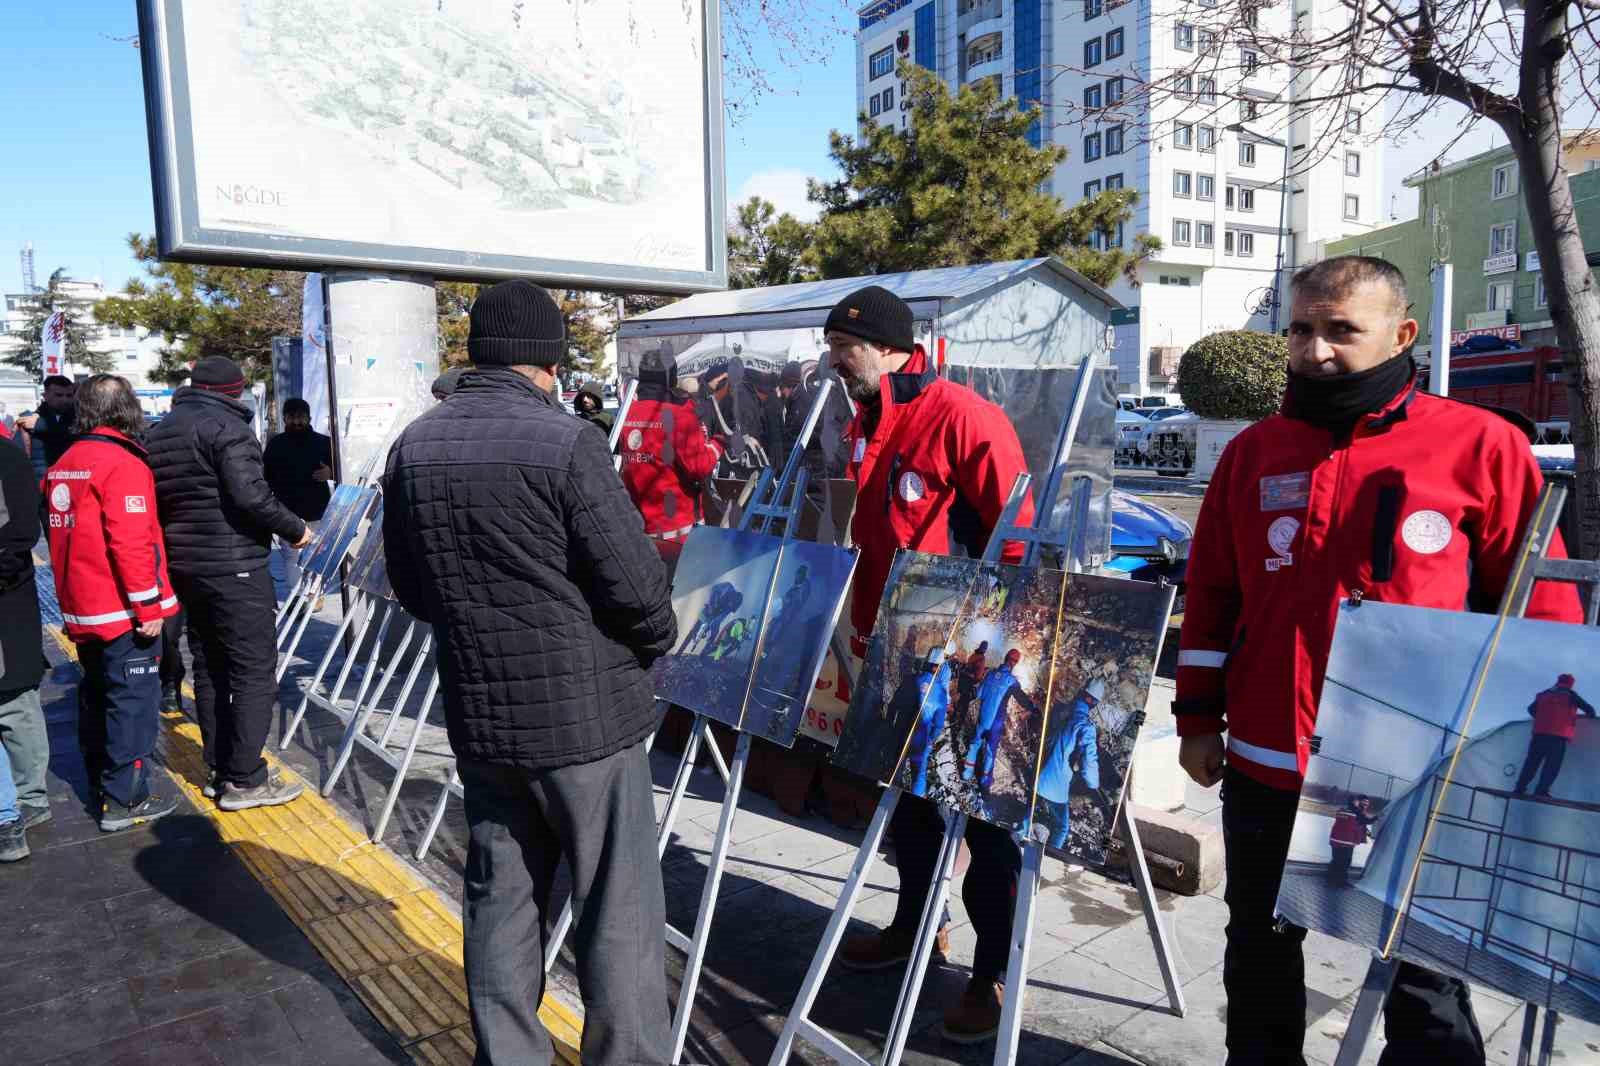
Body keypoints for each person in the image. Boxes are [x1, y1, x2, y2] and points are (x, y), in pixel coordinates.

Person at [1176, 255, 1583, 1066]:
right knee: (1257, 943)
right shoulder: (1255, 452)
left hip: (1415, 766)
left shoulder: (1482, 447)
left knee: (1424, 968)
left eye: (1340, 331)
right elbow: (1212, 593)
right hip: (1267, 754)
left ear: (1400, 334)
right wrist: (1196, 717)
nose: (1314, 350)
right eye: (1300, 329)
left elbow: (1541, 616)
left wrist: (1541, 751)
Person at [382, 279, 677, 1065]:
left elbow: (411, 587)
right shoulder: (568, 442)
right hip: (589, 724)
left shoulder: (416, 443)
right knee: (617, 909)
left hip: (483, 720)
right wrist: (654, 642)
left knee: (500, 899)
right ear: (547, 360)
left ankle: (508, 1055)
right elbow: (637, 587)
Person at [827, 285, 1035, 1043]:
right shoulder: (866, 415)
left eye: (841, 347)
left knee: (983, 821)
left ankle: (992, 972)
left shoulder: (963, 415)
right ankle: (917, 926)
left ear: (885, 347)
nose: (831, 360)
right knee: (911, 808)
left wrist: (984, 646)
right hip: (890, 647)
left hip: (960, 657)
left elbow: (1016, 543)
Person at [146, 356, 310, 811]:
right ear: (234, 391)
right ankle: (245, 778)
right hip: (235, 563)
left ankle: (220, 768)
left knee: (209, 664)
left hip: (186, 567)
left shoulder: (160, 432)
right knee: (254, 670)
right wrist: (296, 528)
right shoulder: (228, 429)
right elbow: (250, 496)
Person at [46, 375, 183, 832]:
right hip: (120, 607)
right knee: (133, 703)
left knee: (99, 692)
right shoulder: (122, 463)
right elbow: (132, 541)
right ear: (128, 410)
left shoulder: (67, 461)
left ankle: (101, 780)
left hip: (83, 604)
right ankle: (125, 798)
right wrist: (148, 609)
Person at [619, 347, 724, 571]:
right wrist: (718, 444)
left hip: (639, 529)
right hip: (680, 533)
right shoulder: (678, 417)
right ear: (672, 378)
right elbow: (699, 466)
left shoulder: (626, 414)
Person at [0, 426, 48, 838]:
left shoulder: (8, 459)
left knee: (15, 702)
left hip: (7, 603)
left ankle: (31, 797)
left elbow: (19, 536)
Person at [263, 397, 335, 598]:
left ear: (309, 417)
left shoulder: (324, 442)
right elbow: (264, 478)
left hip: (318, 510)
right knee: (291, 557)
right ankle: (296, 597)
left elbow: (342, 469)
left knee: (317, 554)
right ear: (284, 418)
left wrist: (330, 472)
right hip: (286, 512)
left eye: (301, 417)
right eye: (292, 417)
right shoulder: (275, 445)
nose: (297, 421)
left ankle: (314, 595)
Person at [1034, 679, 1106, 849]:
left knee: (1028, 814)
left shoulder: (1060, 711)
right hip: (1054, 784)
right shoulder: (1086, 727)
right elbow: (1089, 765)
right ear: (1094, 702)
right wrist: (1094, 784)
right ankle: (1051, 858)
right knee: (1061, 828)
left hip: (1038, 773)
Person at [960, 648, 1040, 792]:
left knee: (975, 744)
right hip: (995, 723)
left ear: (1005, 658)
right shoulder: (1011, 681)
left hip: (983, 717)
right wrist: (1033, 707)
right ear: (1015, 663)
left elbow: (978, 694)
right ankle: (985, 782)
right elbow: (1022, 699)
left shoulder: (989, 674)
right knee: (990, 752)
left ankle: (966, 773)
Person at [1513, 674, 1596, 796]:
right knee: (1551, 766)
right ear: (1570, 684)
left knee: (1531, 763)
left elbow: (1531, 709)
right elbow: (1591, 711)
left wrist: (1543, 718)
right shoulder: (1570, 695)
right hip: (1558, 736)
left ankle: (1519, 788)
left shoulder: (1544, 694)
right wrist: (1572, 718)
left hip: (1539, 734)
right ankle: (1541, 791)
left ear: (1558, 681)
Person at [904, 648, 953, 798]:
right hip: (921, 737)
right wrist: (930, 740)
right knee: (919, 774)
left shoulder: (912, 680)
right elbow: (938, 725)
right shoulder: (941, 693)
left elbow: (895, 706)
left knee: (895, 767)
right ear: (937, 667)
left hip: (902, 731)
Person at [19, 375, 76, 483]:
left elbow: (72, 432)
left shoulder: (80, 420)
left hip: (71, 482)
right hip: (40, 484)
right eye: (58, 395)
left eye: (69, 395)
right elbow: (18, 459)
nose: (65, 399)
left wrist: (39, 425)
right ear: (45, 395)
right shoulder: (27, 420)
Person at [677, 581, 742, 657]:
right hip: (708, 611)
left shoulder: (730, 608)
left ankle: (702, 656)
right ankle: (679, 653)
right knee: (694, 630)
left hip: (715, 617)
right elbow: (714, 589)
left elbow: (721, 617)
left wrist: (713, 625)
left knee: (713, 634)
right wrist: (712, 605)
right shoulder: (727, 587)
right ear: (733, 596)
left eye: (731, 607)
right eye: (730, 604)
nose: (730, 606)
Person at [1327, 795, 1374, 885]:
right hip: (1346, 841)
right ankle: (1341, 881)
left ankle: (1330, 880)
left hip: (1335, 839)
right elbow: (1366, 821)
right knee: (1345, 862)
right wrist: (1377, 817)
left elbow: (1357, 824)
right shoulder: (1356, 812)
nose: (1363, 804)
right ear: (1354, 802)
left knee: (1335, 860)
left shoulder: (1341, 810)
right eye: (1358, 802)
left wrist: (1366, 832)